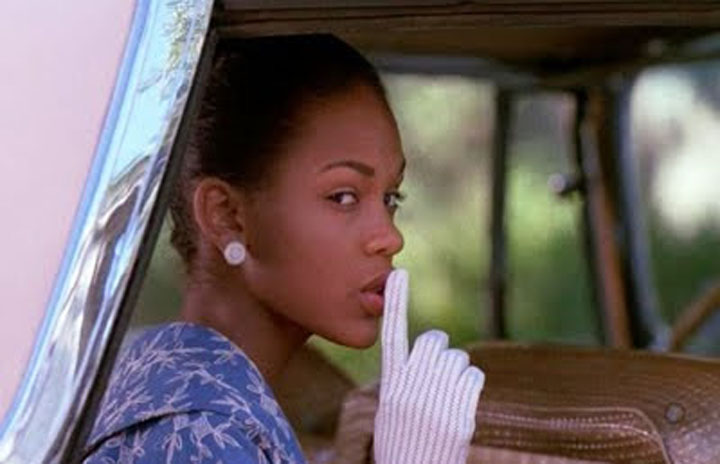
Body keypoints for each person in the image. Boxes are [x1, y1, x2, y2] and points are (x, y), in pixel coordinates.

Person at [82, 34, 484, 464]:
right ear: (227, 216)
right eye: (343, 196)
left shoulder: (159, 386)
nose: (390, 237)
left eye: (390, 198)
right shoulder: (198, 437)